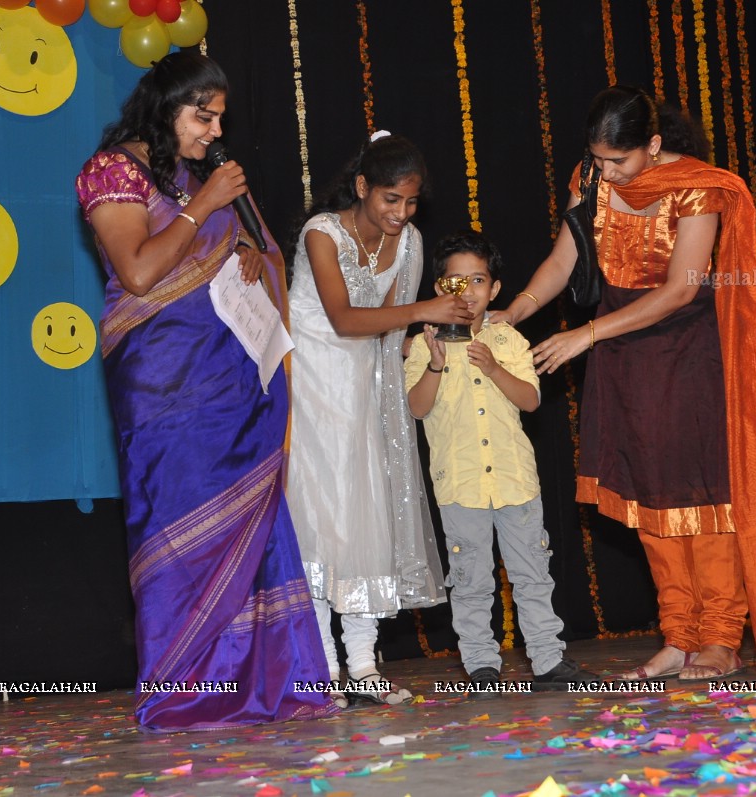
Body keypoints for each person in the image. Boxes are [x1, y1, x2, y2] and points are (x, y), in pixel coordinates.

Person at [495, 86, 756, 682]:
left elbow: (679, 290)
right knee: (650, 498)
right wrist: (514, 312)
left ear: (652, 145)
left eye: (618, 161)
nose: (605, 172)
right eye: (597, 160)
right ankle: (678, 637)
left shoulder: (699, 188)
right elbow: (562, 262)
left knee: (704, 494)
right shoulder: (590, 179)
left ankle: (721, 638)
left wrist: (585, 335)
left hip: (692, 354)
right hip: (623, 358)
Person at [74, 50, 336, 730]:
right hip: (164, 383)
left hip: (231, 379)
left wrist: (246, 254)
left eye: (219, 118)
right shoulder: (114, 171)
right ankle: (186, 688)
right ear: (166, 107)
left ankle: (269, 681)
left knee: (253, 519)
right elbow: (136, 270)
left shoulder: (197, 176)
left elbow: (254, 259)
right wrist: (205, 207)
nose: (212, 131)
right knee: (177, 526)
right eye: (201, 115)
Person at [287, 132, 474, 705]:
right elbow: (344, 319)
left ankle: (364, 666)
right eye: (391, 199)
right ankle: (320, 669)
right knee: (322, 519)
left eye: (411, 202)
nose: (400, 213)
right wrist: (424, 310)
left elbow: (389, 332)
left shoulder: (411, 242)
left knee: (370, 515)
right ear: (362, 187)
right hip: (314, 385)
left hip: (369, 384)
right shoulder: (321, 232)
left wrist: (420, 352)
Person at [404, 231, 601, 694]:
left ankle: (548, 659)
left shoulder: (507, 338)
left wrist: (494, 367)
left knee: (533, 573)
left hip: (515, 481)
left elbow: (531, 400)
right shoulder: (422, 344)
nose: (467, 291)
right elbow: (416, 408)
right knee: (471, 580)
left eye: (477, 280)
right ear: (439, 288)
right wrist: (434, 364)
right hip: (460, 486)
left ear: (494, 290)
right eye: (455, 281)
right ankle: (480, 666)